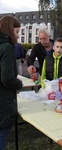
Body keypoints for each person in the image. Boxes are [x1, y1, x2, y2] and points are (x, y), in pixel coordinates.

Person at [0, 16, 23, 150]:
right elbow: (7, 78)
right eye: (17, 32)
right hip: (3, 103)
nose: (18, 36)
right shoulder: (7, 47)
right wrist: (18, 84)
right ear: (9, 30)